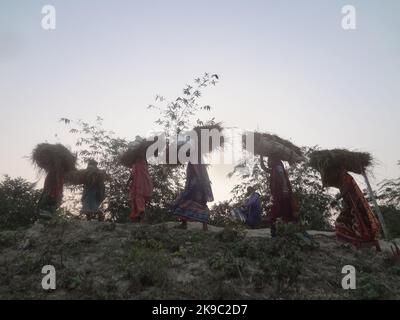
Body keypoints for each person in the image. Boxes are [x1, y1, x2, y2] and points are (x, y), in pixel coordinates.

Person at [324, 168, 381, 251]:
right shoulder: (341, 179)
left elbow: (347, 190)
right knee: (345, 222)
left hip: (355, 204)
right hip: (350, 205)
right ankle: (356, 244)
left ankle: (373, 245)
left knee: (364, 223)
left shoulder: (345, 177)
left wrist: (337, 199)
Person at [260, 155, 299, 237]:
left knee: (279, 213)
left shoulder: (278, 167)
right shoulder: (274, 168)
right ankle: (280, 232)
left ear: (273, 160)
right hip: (279, 195)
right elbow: (264, 168)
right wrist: (261, 156)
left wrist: (284, 191)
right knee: (280, 213)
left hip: (282, 195)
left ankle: (278, 232)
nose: (268, 162)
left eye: (269, 160)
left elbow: (282, 179)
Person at [173, 162, 214, 231]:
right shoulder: (195, 160)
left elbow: (197, 173)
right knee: (198, 204)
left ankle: (186, 224)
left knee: (187, 201)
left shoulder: (195, 160)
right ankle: (203, 227)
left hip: (195, 186)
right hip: (197, 186)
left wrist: (191, 186)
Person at [128, 155, 153, 223]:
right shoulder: (144, 165)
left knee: (137, 200)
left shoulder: (137, 165)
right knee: (140, 201)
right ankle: (139, 217)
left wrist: (128, 182)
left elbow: (132, 175)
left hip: (138, 187)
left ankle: (140, 215)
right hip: (142, 186)